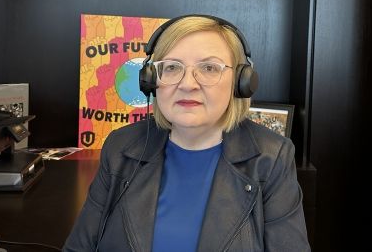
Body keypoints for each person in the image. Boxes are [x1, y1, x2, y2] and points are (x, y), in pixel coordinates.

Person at [63, 15, 310, 251]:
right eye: (171, 67)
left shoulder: (272, 158)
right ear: (150, 80)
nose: (188, 84)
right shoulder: (121, 147)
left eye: (209, 68)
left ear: (240, 82)